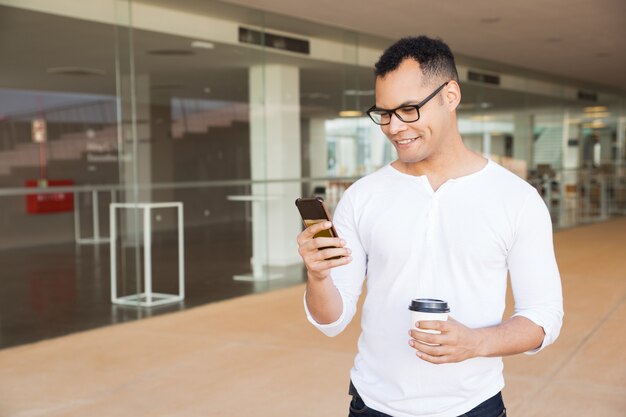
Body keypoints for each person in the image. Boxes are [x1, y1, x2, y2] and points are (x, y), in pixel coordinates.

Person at [296, 36, 563, 417]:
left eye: (408, 109)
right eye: (384, 113)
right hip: (373, 405)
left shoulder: (516, 199)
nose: (393, 127)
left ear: (450, 95)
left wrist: (476, 343)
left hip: (473, 406)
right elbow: (332, 321)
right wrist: (318, 276)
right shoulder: (362, 196)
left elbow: (543, 316)